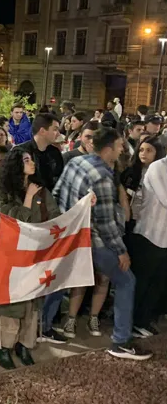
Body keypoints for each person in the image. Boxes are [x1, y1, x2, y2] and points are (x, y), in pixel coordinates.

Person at [53, 127, 152, 360]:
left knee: (60, 282)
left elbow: (58, 193)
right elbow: (105, 222)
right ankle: (121, 342)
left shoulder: (76, 162)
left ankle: (45, 327)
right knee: (126, 281)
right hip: (93, 240)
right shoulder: (102, 176)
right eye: (119, 146)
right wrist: (121, 251)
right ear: (108, 149)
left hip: (70, 234)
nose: (122, 150)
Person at [0, 148, 61, 370]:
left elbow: (56, 218)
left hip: (35, 256)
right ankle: (3, 346)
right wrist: (28, 198)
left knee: (32, 305)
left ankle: (24, 344)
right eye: (26, 160)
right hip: (11, 257)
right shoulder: (4, 191)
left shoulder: (41, 190)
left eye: (32, 160)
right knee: (12, 304)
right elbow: (10, 223)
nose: (32, 163)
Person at [129, 154, 167, 337]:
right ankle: (131, 322)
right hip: (150, 234)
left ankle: (144, 320)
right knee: (142, 281)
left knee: (158, 282)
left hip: (165, 238)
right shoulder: (158, 167)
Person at [120, 135, 165, 233]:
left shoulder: (162, 173)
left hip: (152, 223)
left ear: (157, 152)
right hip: (130, 219)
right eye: (141, 150)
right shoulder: (131, 171)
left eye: (149, 150)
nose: (143, 153)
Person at [16, 113, 63, 192]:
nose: (58, 134)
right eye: (55, 129)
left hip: (50, 196)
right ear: (42, 131)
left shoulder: (55, 152)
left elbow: (59, 178)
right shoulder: (20, 152)